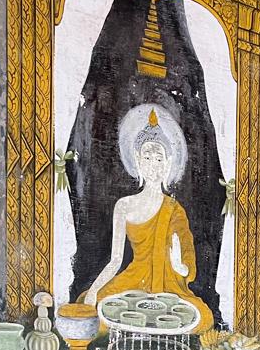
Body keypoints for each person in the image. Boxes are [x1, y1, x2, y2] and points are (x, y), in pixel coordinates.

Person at [82, 105, 211, 332]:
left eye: (159, 159)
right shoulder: (124, 205)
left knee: (203, 318)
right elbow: (115, 260)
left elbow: (187, 260)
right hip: (133, 281)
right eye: (148, 157)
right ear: (137, 160)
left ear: (168, 163)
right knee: (95, 312)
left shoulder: (174, 210)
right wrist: (93, 290)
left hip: (169, 286)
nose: (153, 165)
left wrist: (179, 266)